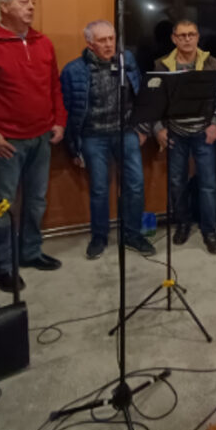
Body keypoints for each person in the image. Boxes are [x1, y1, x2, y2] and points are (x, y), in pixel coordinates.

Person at [0, 0, 67, 292]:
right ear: (5, 7)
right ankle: (3, 266)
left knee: (36, 201)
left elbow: (54, 87)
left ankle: (31, 252)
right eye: (24, 2)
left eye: (33, 2)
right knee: (3, 207)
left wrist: (59, 121)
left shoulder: (43, 43)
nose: (31, 7)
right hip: (5, 142)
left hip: (41, 138)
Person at [60, 20, 154, 260]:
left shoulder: (126, 61)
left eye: (112, 38)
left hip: (126, 132)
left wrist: (143, 128)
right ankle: (99, 237)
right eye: (102, 40)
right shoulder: (74, 70)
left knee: (135, 184)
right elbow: (68, 111)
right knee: (99, 188)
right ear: (90, 43)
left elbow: (142, 95)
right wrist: (74, 149)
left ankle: (132, 234)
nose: (109, 44)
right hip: (93, 136)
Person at [153, 19, 216, 255]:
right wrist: (158, 128)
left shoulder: (211, 63)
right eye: (182, 35)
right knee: (177, 182)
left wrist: (214, 124)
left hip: (204, 132)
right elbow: (154, 100)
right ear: (174, 39)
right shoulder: (162, 65)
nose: (187, 39)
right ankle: (182, 224)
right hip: (176, 133)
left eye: (191, 34)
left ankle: (209, 230)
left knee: (208, 184)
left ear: (198, 37)